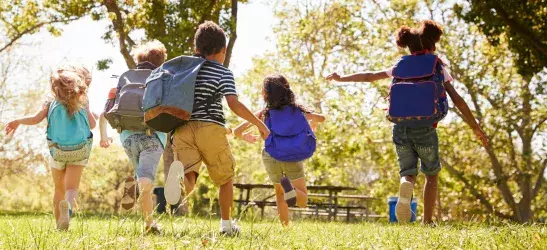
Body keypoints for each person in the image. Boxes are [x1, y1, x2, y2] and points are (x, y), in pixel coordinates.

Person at [326, 20, 488, 224]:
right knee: (431, 175)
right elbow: (458, 99)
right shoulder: (436, 66)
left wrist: (341, 78)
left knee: (408, 172)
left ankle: (405, 185)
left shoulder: (399, 66)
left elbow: (369, 76)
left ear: (408, 46)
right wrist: (476, 127)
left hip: (400, 128)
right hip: (426, 130)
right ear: (431, 45)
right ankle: (427, 221)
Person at [163, 21, 270, 235]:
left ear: (196, 49)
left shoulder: (184, 71)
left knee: (190, 178)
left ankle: (180, 180)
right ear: (223, 51)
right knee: (225, 178)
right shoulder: (223, 73)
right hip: (211, 128)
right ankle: (226, 225)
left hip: (182, 128)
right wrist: (259, 124)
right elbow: (234, 104)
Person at [5, 69, 96, 230]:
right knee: (71, 188)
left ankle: (59, 224)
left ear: (55, 86)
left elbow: (35, 119)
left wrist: (17, 121)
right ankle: (67, 209)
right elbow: (93, 124)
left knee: (59, 188)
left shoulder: (50, 101)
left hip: (58, 151)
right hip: (80, 150)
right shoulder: (83, 100)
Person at [233, 75, 325, 226]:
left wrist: (245, 136)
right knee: (302, 201)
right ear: (287, 90)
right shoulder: (298, 111)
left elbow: (237, 131)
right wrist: (313, 123)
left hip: (271, 156)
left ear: (266, 94)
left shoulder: (264, 113)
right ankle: (293, 192)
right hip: (292, 156)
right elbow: (321, 118)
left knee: (280, 192)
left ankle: (285, 227)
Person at [99, 40, 168, 233]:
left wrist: (103, 136)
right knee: (147, 179)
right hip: (153, 137)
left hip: (127, 138)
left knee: (143, 176)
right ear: (162, 61)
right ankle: (140, 184)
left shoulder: (124, 80)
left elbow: (105, 112)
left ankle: (149, 224)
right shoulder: (162, 78)